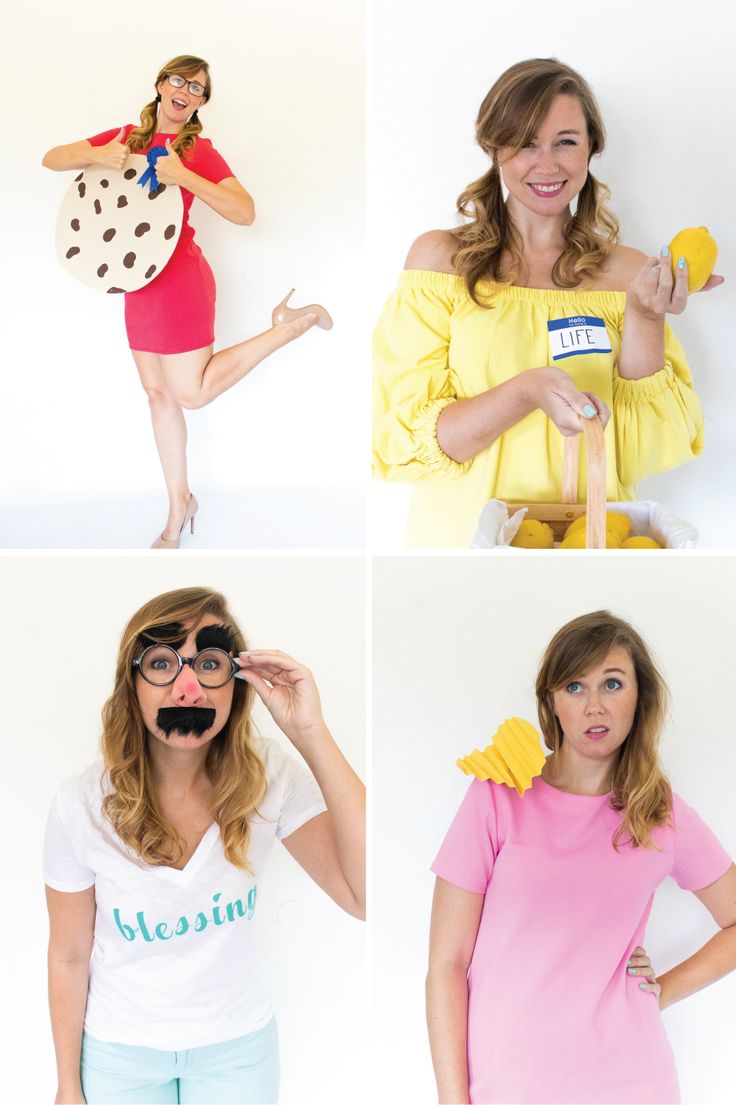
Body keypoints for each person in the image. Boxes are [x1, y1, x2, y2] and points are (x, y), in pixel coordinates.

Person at [373, 59, 723, 547]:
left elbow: (641, 449)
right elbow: (408, 443)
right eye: (525, 143)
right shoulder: (440, 262)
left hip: (589, 538)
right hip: (459, 545)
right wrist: (525, 391)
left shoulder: (628, 273)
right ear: (495, 148)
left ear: (590, 149)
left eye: (566, 141)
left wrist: (646, 315)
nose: (547, 164)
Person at [44, 586, 365, 1105]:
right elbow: (69, 954)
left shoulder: (270, 779)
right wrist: (66, 1086)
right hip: (119, 1054)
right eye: (163, 663)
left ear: (236, 683)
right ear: (133, 683)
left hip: (239, 1051)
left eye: (209, 663)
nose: (188, 688)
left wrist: (310, 732)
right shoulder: (79, 805)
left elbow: (365, 895)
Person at [427, 610, 735, 1104]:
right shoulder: (497, 796)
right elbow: (447, 963)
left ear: (640, 698)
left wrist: (663, 991)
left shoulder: (661, 814)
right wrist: (451, 1098)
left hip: (633, 1082)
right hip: (507, 1083)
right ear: (551, 701)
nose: (594, 706)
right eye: (575, 687)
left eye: (612, 684)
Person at [43, 56, 332, 548]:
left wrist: (183, 175)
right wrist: (100, 156)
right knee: (157, 396)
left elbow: (244, 212)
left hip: (180, 280)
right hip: (136, 283)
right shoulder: (125, 137)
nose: (186, 90)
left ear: (200, 103)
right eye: (178, 79)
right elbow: (52, 157)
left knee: (191, 394)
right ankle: (179, 502)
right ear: (160, 85)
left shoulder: (198, 150)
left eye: (197, 88)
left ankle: (287, 326)